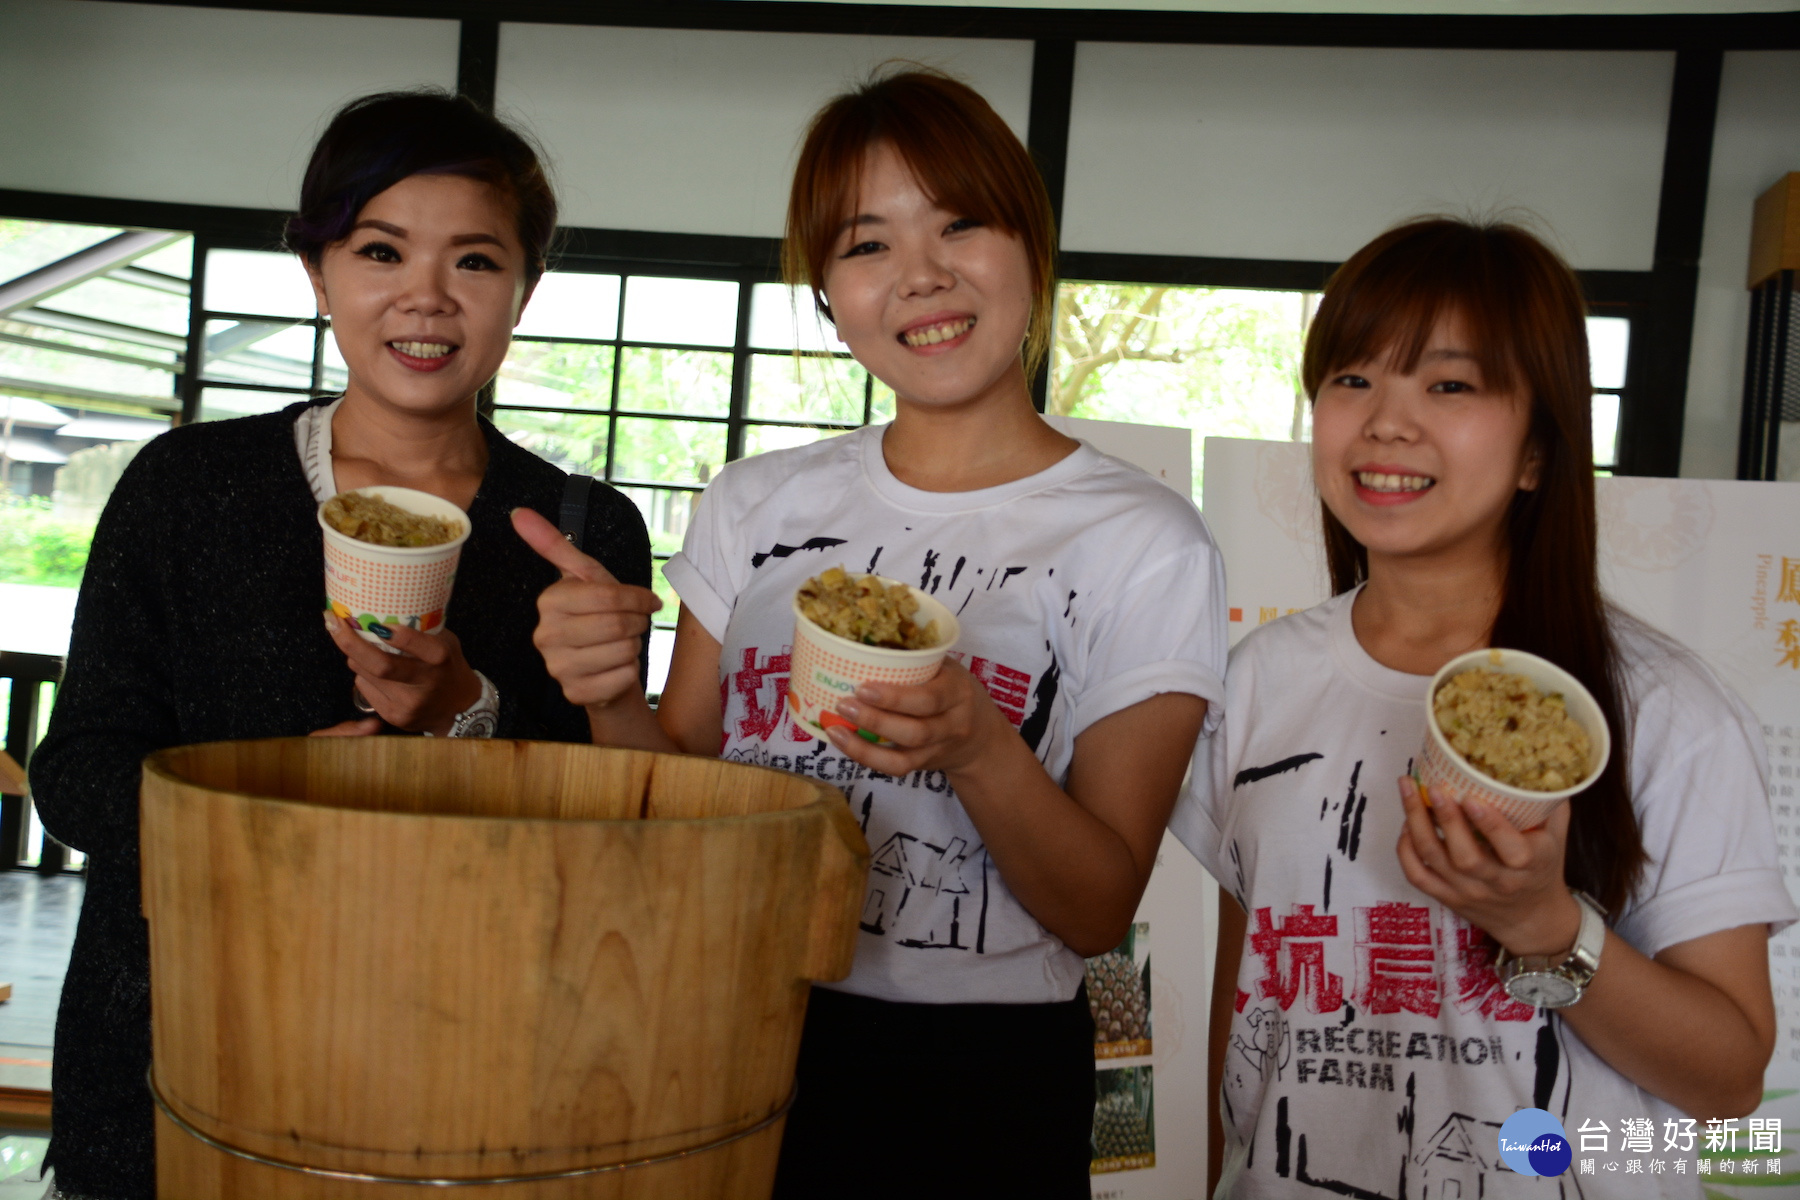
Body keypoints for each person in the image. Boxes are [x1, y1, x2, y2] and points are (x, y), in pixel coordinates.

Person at [513, 69, 1226, 1197]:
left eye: (961, 223)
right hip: (725, 1022)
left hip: (974, 1079)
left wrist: (978, 744)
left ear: (1032, 247)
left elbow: (1097, 910)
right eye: (866, 244)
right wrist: (609, 702)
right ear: (828, 296)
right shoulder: (755, 504)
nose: (924, 276)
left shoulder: (1143, 538)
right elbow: (675, 811)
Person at [29, 90, 650, 1200]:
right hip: (176, 1042)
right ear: (317, 273)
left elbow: (608, 838)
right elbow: (75, 773)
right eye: (378, 249)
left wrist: (469, 712)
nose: (425, 296)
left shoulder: (584, 534)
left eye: (475, 261)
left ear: (524, 291)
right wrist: (268, 800)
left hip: (461, 1061)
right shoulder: (188, 489)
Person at [1171, 217, 1797, 1199]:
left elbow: (1727, 1083)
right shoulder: (1258, 681)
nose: (1385, 421)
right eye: (1353, 377)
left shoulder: (1661, 709)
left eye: (1449, 384)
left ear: (1538, 453)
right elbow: (1245, 994)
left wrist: (1545, 924)